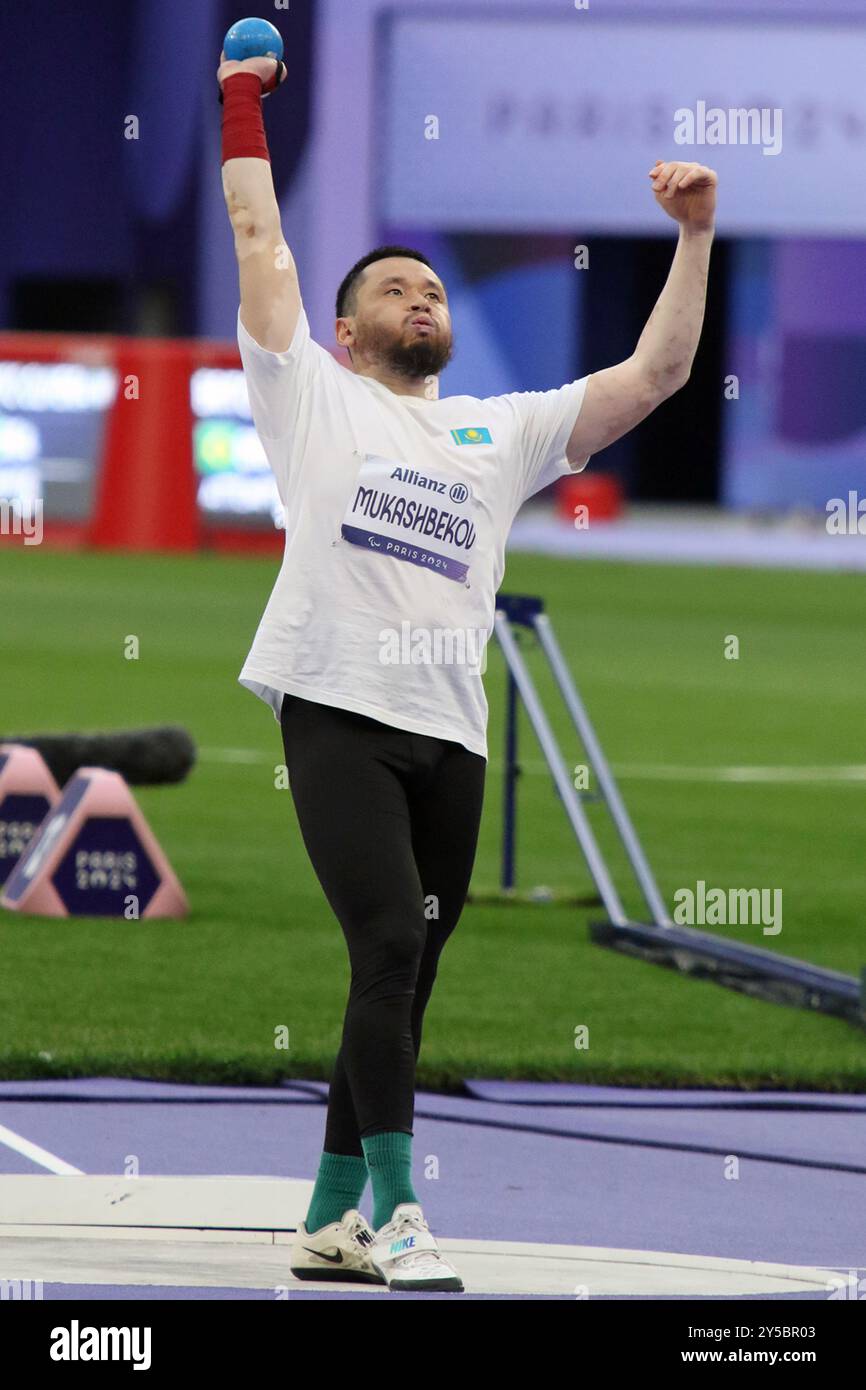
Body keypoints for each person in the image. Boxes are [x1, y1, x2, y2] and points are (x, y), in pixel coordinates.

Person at [217, 50, 717, 1293]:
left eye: (432, 287)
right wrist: (240, 98)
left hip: (453, 732)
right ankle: (397, 1214)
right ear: (345, 329)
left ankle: (329, 1214)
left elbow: (653, 377)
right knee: (387, 944)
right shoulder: (307, 396)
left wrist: (696, 235)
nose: (421, 297)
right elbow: (256, 231)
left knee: (408, 973)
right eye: (395, 287)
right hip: (339, 711)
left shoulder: (497, 430)